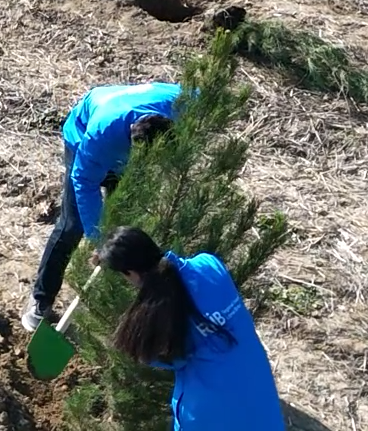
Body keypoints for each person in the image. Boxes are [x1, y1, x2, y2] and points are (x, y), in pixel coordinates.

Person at [24, 81, 181, 331]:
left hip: (120, 140)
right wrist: (100, 242)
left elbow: (208, 94)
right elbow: (83, 182)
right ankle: (41, 300)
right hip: (82, 137)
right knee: (72, 225)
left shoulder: (182, 105)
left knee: (125, 228)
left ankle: (106, 306)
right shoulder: (102, 133)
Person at [96, 226, 284, 431]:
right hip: (260, 394)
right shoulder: (209, 264)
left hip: (209, 416)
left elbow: (172, 360)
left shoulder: (155, 317)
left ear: (130, 273)